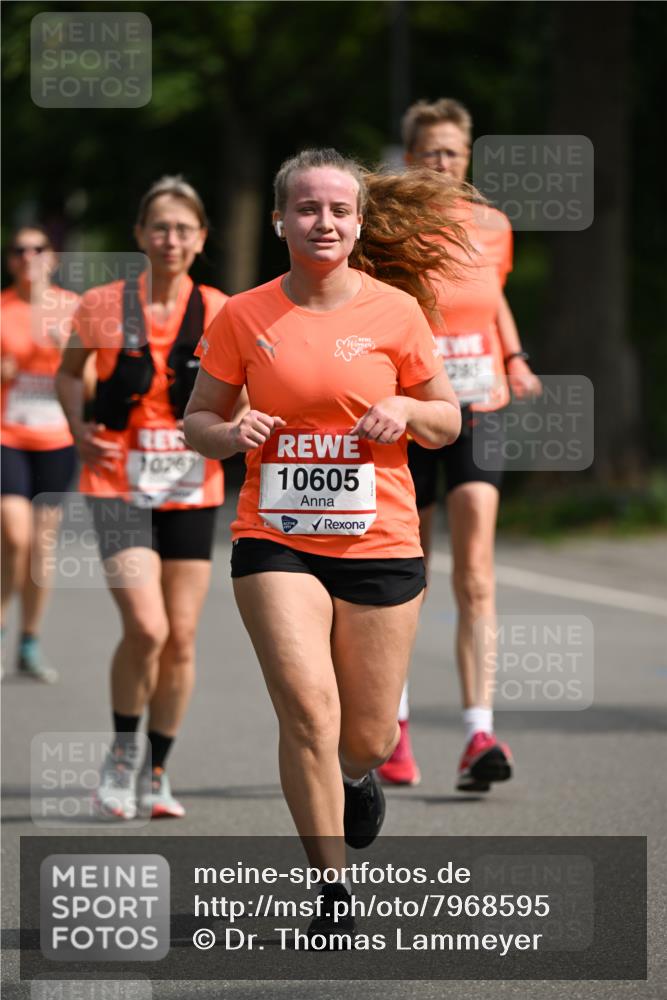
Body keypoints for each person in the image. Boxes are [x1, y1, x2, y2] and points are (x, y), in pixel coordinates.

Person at [184, 148, 462, 933]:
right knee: (308, 711)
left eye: (339, 209)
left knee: (365, 735)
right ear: (280, 221)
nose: (323, 221)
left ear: (359, 223)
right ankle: (332, 889)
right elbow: (197, 420)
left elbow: (446, 421)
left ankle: (355, 775)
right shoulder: (243, 315)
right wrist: (229, 432)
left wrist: (406, 411)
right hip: (274, 538)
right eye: (306, 208)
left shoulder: (396, 313)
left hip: (379, 539)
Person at [378, 99, 542, 792]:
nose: (442, 163)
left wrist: (514, 357)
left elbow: (491, 296)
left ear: (467, 155)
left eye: (452, 151)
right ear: (410, 157)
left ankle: (479, 731)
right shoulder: (388, 226)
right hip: (413, 410)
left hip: (479, 405)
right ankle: (392, 726)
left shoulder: (492, 226)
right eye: (430, 152)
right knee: (406, 573)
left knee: (475, 574)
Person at [56, 176, 228, 819]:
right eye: (160, 227)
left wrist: (235, 428)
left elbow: (243, 389)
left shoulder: (221, 310)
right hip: (117, 485)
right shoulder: (101, 304)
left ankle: (157, 770)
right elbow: (68, 374)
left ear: (201, 238)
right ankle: (122, 753)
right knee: (147, 627)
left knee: (180, 638)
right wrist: (78, 431)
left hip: (191, 487)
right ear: (140, 235)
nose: (171, 239)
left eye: (183, 229)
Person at [1, 225, 80, 682]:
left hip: (57, 438)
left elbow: (93, 381)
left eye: (38, 248)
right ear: (10, 260)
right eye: (19, 249)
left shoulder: (74, 309)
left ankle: (29, 641)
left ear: (53, 257)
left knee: (39, 545)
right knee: (14, 535)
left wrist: (68, 353)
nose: (28, 256)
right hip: (7, 435)